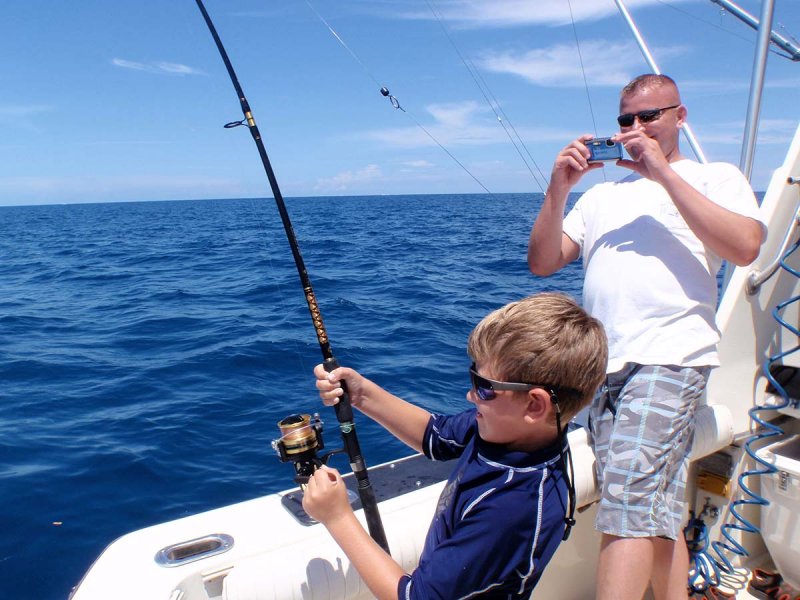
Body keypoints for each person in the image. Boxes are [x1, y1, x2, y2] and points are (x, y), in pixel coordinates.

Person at [528, 73, 764, 600]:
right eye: (625, 120)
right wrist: (559, 188)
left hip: (671, 358)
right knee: (651, 503)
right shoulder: (601, 198)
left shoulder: (714, 177)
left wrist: (661, 172)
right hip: (602, 369)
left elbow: (746, 246)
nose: (636, 128)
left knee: (629, 496)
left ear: (680, 117)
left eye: (650, 116)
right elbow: (542, 262)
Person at [301, 292, 607, 600]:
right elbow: (435, 436)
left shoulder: (511, 508)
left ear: (534, 405)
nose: (471, 395)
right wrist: (362, 394)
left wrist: (337, 516)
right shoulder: (510, 430)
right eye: (473, 374)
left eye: (484, 387)